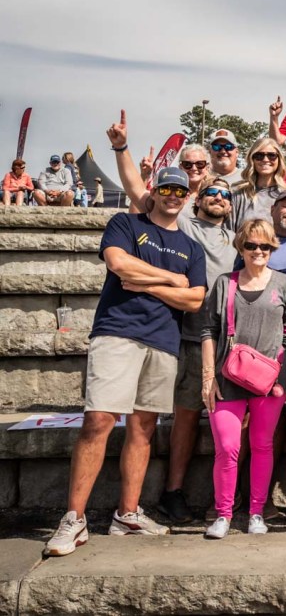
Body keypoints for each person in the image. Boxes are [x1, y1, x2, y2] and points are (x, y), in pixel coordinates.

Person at [44, 114, 207, 556]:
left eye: (180, 191)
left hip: (163, 342)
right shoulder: (126, 224)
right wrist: (169, 280)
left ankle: (127, 514)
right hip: (117, 332)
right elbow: (118, 265)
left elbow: (195, 300)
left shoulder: (191, 247)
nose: (172, 196)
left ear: (187, 196)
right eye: (166, 189)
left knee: (143, 428)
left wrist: (149, 282)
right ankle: (74, 518)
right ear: (155, 191)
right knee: (98, 421)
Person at [200, 219, 286, 538]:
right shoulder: (224, 283)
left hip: (270, 381)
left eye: (265, 246)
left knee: (262, 445)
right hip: (228, 378)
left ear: (273, 248)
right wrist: (208, 377)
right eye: (251, 245)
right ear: (240, 247)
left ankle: (256, 511)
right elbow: (208, 331)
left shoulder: (284, 284)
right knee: (227, 447)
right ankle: (224, 513)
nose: (258, 251)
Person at [158, 176, 237, 524]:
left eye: (225, 194)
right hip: (191, 336)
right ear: (198, 199)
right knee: (187, 415)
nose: (218, 197)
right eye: (211, 193)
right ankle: (172, 491)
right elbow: (143, 200)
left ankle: (231, 496)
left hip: (229, 342)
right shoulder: (184, 225)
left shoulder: (236, 239)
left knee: (236, 423)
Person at [232, 138, 286, 227]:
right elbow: (229, 230)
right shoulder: (239, 193)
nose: (265, 160)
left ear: (279, 159)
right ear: (252, 159)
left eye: (271, 155)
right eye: (259, 155)